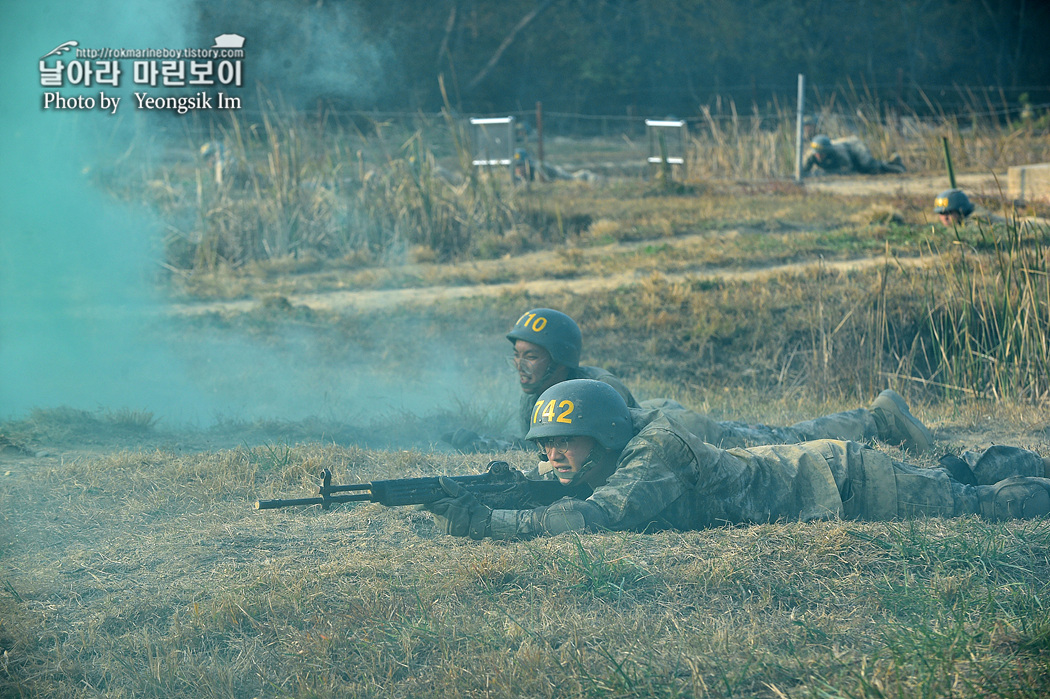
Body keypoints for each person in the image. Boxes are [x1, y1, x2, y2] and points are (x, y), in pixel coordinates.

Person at [426, 380, 1050, 539]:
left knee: (985, 504)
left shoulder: (655, 453)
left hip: (843, 484)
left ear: (607, 436)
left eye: (566, 442)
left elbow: (601, 518)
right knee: (960, 475)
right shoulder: (610, 450)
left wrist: (494, 524)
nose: (554, 456)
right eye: (546, 447)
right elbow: (565, 478)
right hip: (827, 472)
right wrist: (510, 483)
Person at [447, 307, 937, 455]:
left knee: (786, 440)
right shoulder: (542, 393)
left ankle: (878, 418)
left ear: (560, 359)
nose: (520, 365)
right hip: (668, 418)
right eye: (517, 356)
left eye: (531, 356)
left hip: (684, 428)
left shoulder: (595, 390)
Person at [803, 134, 905, 176]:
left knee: (868, 166)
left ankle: (894, 165)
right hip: (847, 150)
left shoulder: (838, 151)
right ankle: (891, 162)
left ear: (828, 151)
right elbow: (801, 171)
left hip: (854, 147)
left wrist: (825, 173)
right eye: (817, 153)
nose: (819, 156)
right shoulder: (811, 155)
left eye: (822, 153)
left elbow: (848, 168)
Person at [933, 188, 1006, 227]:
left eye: (949, 213)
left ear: (961, 210)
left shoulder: (977, 220)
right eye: (941, 213)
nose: (945, 218)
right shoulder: (959, 222)